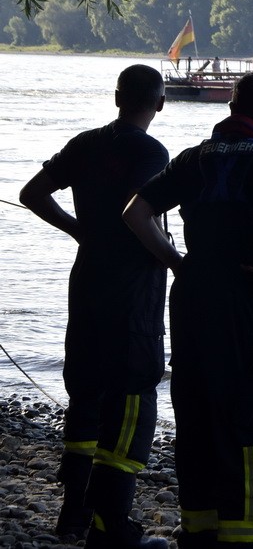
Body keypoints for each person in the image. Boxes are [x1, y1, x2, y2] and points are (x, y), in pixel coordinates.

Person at [123, 72, 253, 549]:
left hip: (192, 296)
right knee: (246, 413)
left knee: (194, 409)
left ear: (232, 108)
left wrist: (175, 262)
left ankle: (198, 529)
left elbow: (135, 212)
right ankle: (245, 534)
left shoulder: (195, 156)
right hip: (241, 294)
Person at [19, 64, 170, 548]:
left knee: (85, 393)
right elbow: (139, 216)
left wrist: (76, 228)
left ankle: (73, 513)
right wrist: (177, 260)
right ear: (160, 102)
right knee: (130, 399)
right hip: (132, 293)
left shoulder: (85, 143)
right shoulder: (151, 152)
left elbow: (31, 193)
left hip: (87, 282)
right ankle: (112, 524)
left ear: (116, 98)